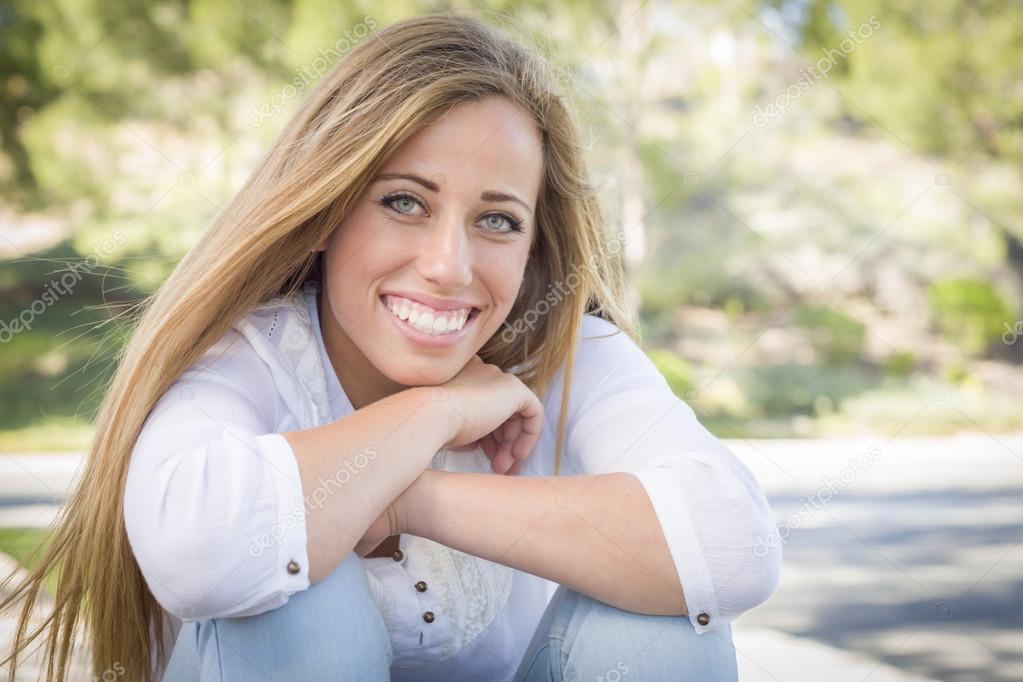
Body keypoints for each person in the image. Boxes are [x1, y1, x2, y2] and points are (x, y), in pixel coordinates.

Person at [0, 13, 781, 682]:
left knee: (663, 623)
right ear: (327, 211)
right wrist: (439, 411)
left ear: (533, 247)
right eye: (404, 202)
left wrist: (409, 497)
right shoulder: (250, 354)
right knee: (296, 588)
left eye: (497, 219)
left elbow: (731, 543)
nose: (449, 266)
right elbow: (195, 545)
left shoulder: (566, 352)